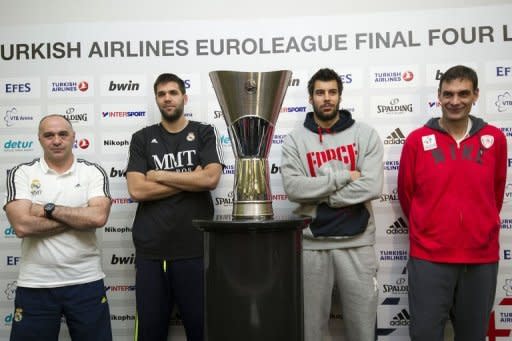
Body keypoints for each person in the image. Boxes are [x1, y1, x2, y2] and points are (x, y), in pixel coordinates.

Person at [397, 65, 507, 341]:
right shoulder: (416, 141)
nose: (455, 101)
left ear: (476, 95)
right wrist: (432, 228)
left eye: (463, 93)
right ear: (439, 95)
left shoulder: (495, 139)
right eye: (448, 94)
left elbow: (496, 191)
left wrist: (479, 227)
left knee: (472, 336)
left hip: (480, 258)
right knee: (424, 335)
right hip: (429, 258)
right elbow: (406, 194)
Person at [281, 68, 383, 341]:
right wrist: (343, 178)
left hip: (358, 244)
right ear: (311, 97)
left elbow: (371, 186)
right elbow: (294, 189)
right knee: (311, 332)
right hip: (313, 245)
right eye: (320, 92)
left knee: (363, 331)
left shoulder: (365, 134)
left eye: (332, 92)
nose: (326, 98)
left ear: (340, 95)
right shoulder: (295, 140)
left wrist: (321, 195)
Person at [126, 73, 223, 341]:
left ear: (184, 97)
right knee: (149, 334)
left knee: (201, 331)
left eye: (173, 93)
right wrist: (191, 179)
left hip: (194, 249)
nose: (167, 98)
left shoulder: (204, 132)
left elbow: (210, 179)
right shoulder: (142, 138)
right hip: (151, 252)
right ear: (157, 99)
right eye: (161, 94)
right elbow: (137, 189)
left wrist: (160, 175)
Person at [4, 114, 113, 341]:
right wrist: (78, 215)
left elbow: (98, 217)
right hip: (36, 284)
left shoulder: (92, 172)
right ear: (39, 139)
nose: (56, 140)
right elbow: (22, 225)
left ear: (73, 137)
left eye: (63, 134)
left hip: (86, 281)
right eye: (49, 135)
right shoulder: (22, 173)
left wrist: (46, 209)